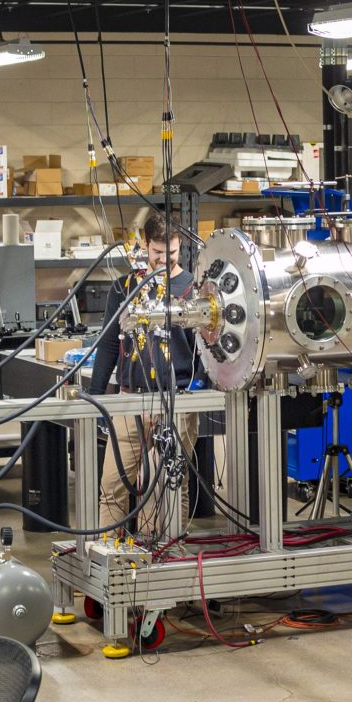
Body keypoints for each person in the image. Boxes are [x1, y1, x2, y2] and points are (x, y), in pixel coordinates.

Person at [87, 217, 202, 541]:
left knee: (168, 487)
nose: (164, 261)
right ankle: (108, 561)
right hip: (129, 399)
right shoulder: (125, 288)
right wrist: (97, 398)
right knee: (112, 486)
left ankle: (167, 562)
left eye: (173, 253)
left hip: (176, 400)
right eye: (157, 253)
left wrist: (198, 388)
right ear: (144, 245)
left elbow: (205, 349)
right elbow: (109, 344)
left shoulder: (195, 289)